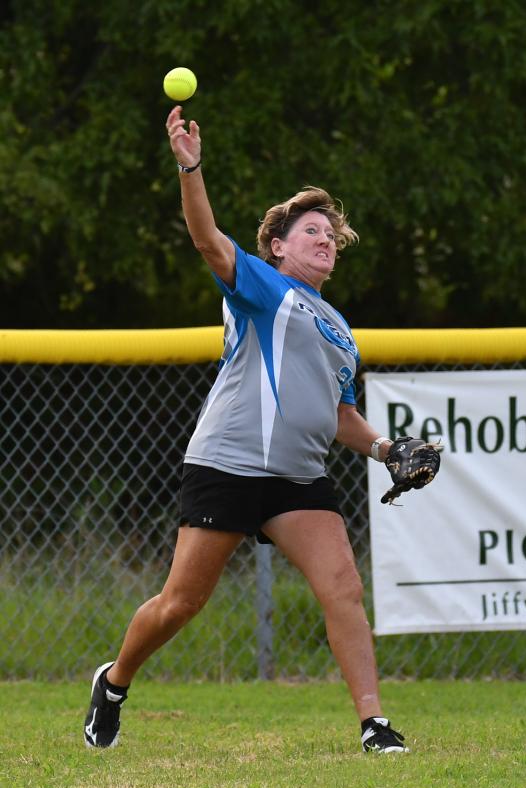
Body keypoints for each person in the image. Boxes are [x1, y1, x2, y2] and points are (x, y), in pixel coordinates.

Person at [83, 106, 409, 755]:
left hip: (296, 479)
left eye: (329, 235)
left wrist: (384, 447)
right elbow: (206, 238)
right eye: (310, 231)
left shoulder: (341, 332)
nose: (323, 240)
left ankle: (373, 724)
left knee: (342, 587)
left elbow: (339, 416)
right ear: (278, 248)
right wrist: (189, 165)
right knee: (180, 604)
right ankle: (114, 682)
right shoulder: (263, 289)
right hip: (228, 462)